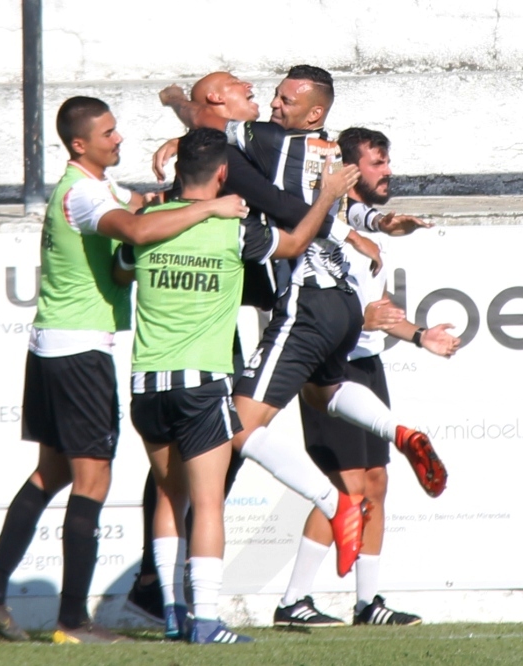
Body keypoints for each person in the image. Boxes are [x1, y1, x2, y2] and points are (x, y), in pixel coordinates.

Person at [0, 96, 248, 645]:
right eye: (109, 133)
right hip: (80, 350)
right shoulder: (88, 195)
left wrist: (161, 197)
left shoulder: (81, 188)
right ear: (79, 144)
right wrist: (210, 208)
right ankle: (72, 620)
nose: (119, 140)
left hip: (50, 342)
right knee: (91, 477)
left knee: (52, 473)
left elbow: (134, 208)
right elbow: (136, 232)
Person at [159, 65, 446, 583]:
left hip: (307, 300)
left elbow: (205, 116)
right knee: (322, 392)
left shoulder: (272, 140)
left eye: (284, 99)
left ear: (313, 112)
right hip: (342, 304)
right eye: (269, 96)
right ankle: (398, 432)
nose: (271, 104)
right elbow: (327, 206)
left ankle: (333, 504)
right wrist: (374, 223)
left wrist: (177, 105)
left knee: (237, 430)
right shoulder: (328, 152)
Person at [125, 127, 356, 643]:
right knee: (206, 503)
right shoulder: (235, 229)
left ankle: (170, 611)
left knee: (168, 496)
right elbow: (297, 241)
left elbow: (122, 271)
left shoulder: (147, 223)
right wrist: (326, 196)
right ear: (225, 173)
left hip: (146, 382)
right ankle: (205, 618)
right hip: (202, 382)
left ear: (176, 166)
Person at [275, 127, 459, 629]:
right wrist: (361, 320)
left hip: (367, 363)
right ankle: (293, 601)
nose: (388, 172)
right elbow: (320, 307)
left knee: (375, 482)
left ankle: (368, 603)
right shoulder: (317, 227)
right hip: (330, 367)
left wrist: (420, 335)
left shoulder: (362, 228)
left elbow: (375, 314)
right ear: (351, 171)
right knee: (345, 485)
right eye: (378, 163)